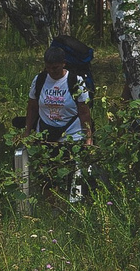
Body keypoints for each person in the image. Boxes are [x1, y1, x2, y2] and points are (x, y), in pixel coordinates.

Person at [24, 42, 96, 201]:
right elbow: (32, 108)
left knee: (72, 172)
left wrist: (88, 137)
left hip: (71, 134)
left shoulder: (75, 81)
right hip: (46, 133)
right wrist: (27, 132)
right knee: (47, 173)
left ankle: (74, 204)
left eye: (55, 68)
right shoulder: (40, 80)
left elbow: (84, 112)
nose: (51, 71)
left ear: (64, 64)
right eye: (48, 67)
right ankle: (51, 206)